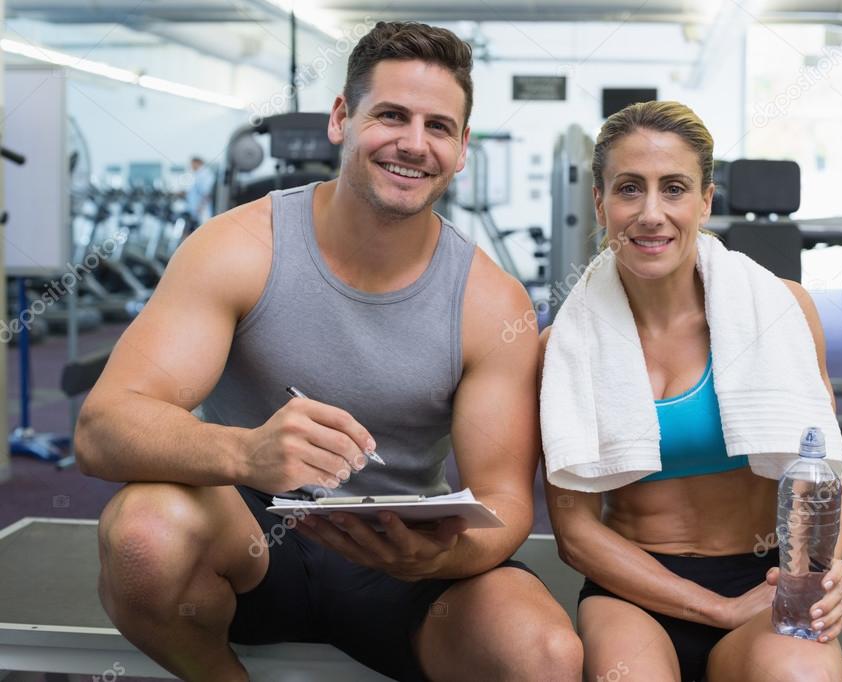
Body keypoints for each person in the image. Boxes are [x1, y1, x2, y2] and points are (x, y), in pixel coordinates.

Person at [76, 21, 582, 682]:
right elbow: (102, 428)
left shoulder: (491, 302)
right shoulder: (237, 247)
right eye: (391, 115)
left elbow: (505, 501)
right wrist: (246, 454)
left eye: (438, 126)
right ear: (342, 118)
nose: (413, 143)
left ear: (461, 149)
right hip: (252, 541)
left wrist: (437, 560)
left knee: (546, 656)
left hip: (403, 562)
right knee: (143, 538)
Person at [540, 101, 842, 682]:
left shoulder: (783, 309)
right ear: (600, 203)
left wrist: (820, 577)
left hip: (765, 579)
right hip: (635, 592)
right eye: (629, 189)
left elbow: (823, 476)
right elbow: (575, 532)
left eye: (674, 189)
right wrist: (716, 609)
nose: (651, 214)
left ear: (705, 201)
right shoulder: (563, 347)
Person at [184, 156, 215, 225]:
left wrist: (200, 206)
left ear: (197, 163)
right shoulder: (197, 174)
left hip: (202, 210)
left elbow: (207, 193)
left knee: (204, 227)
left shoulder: (205, 174)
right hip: (197, 210)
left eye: (192, 164)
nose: (191, 166)